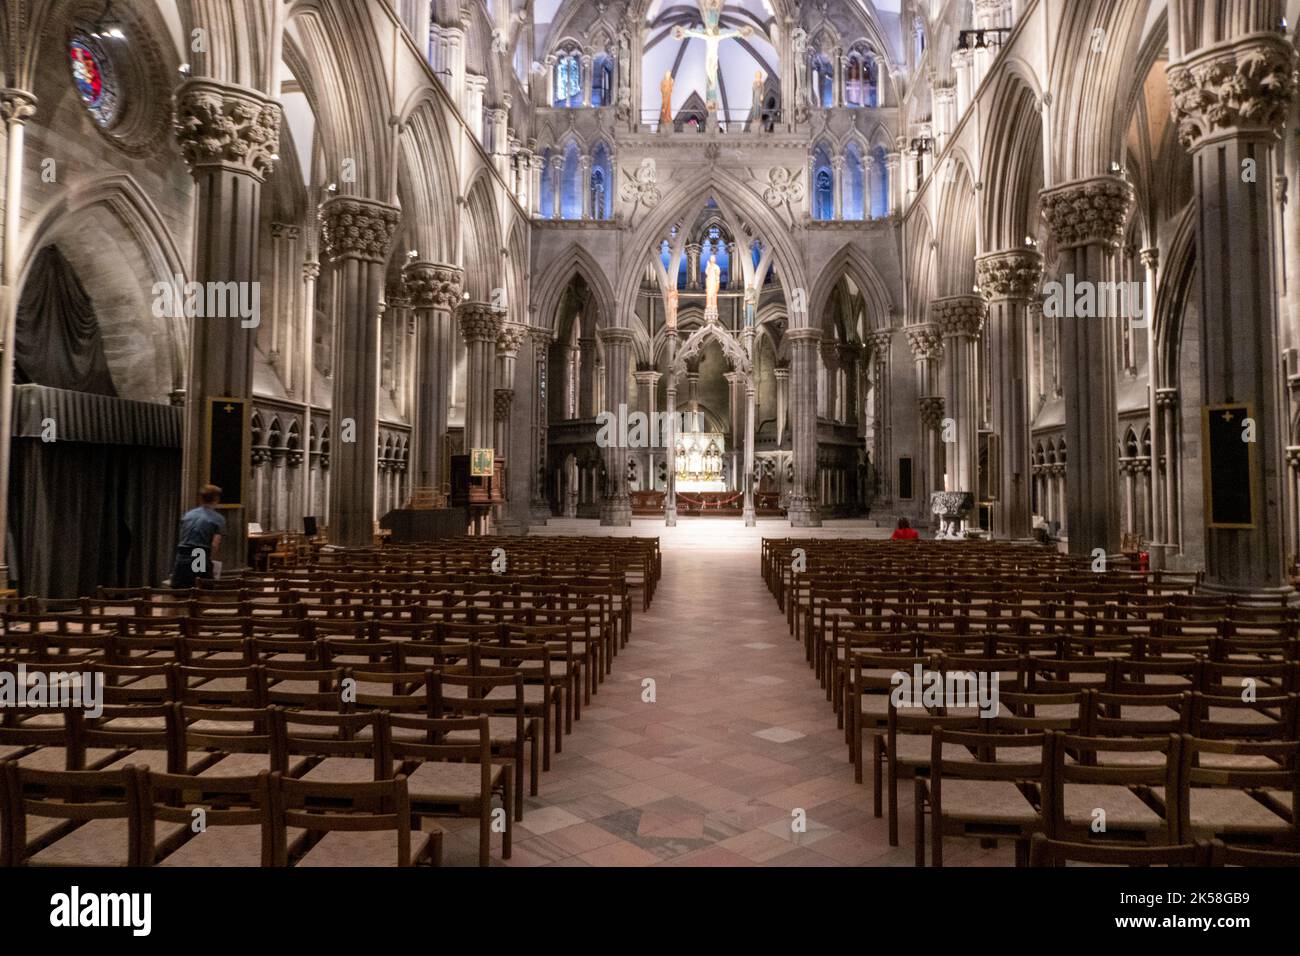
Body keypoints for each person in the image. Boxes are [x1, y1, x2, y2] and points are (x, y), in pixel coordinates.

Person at [171, 484, 225, 588]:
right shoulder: (217, 518)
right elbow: (214, 544)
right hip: (199, 556)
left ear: (201, 498)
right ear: (216, 498)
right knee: (200, 591)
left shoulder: (188, 515)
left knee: (180, 592)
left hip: (181, 557)